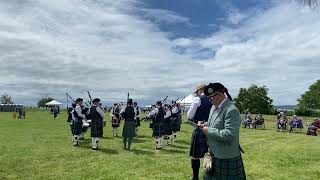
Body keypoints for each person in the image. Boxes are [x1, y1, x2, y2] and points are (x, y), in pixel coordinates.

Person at [199, 83, 246, 179]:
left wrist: (208, 131)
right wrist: (205, 124)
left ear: (220, 94)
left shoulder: (231, 110)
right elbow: (216, 122)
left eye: (211, 98)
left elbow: (229, 135)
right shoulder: (214, 107)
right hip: (213, 154)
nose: (210, 101)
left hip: (226, 157)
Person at [187, 84, 212, 180]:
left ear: (199, 90)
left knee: (195, 156)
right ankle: (209, 176)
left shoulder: (197, 99)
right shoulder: (212, 99)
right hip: (212, 129)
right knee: (211, 155)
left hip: (200, 128)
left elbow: (189, 115)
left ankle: (195, 177)